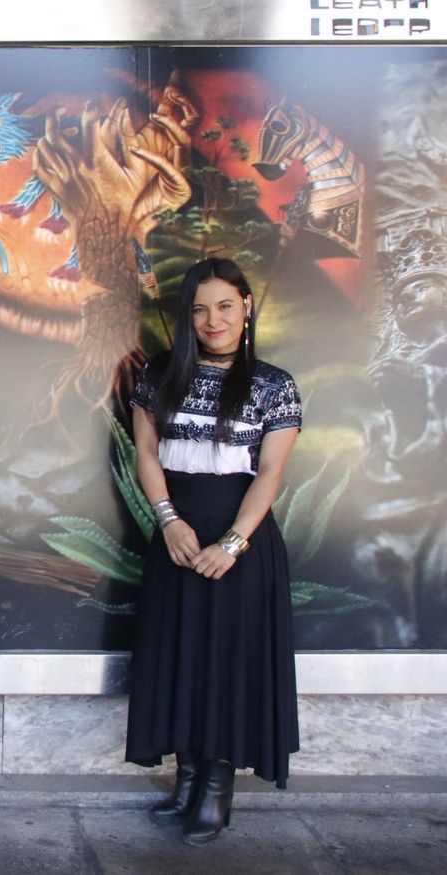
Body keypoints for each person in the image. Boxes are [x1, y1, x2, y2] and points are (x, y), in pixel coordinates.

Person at [125, 257, 301, 845]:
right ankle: (187, 776)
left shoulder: (275, 385)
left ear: (246, 307)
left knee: (228, 661)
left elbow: (271, 473)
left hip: (240, 540)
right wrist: (168, 520)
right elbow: (147, 454)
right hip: (176, 531)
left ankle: (217, 790)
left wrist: (233, 542)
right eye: (200, 309)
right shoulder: (158, 375)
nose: (213, 319)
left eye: (225, 306)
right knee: (180, 655)